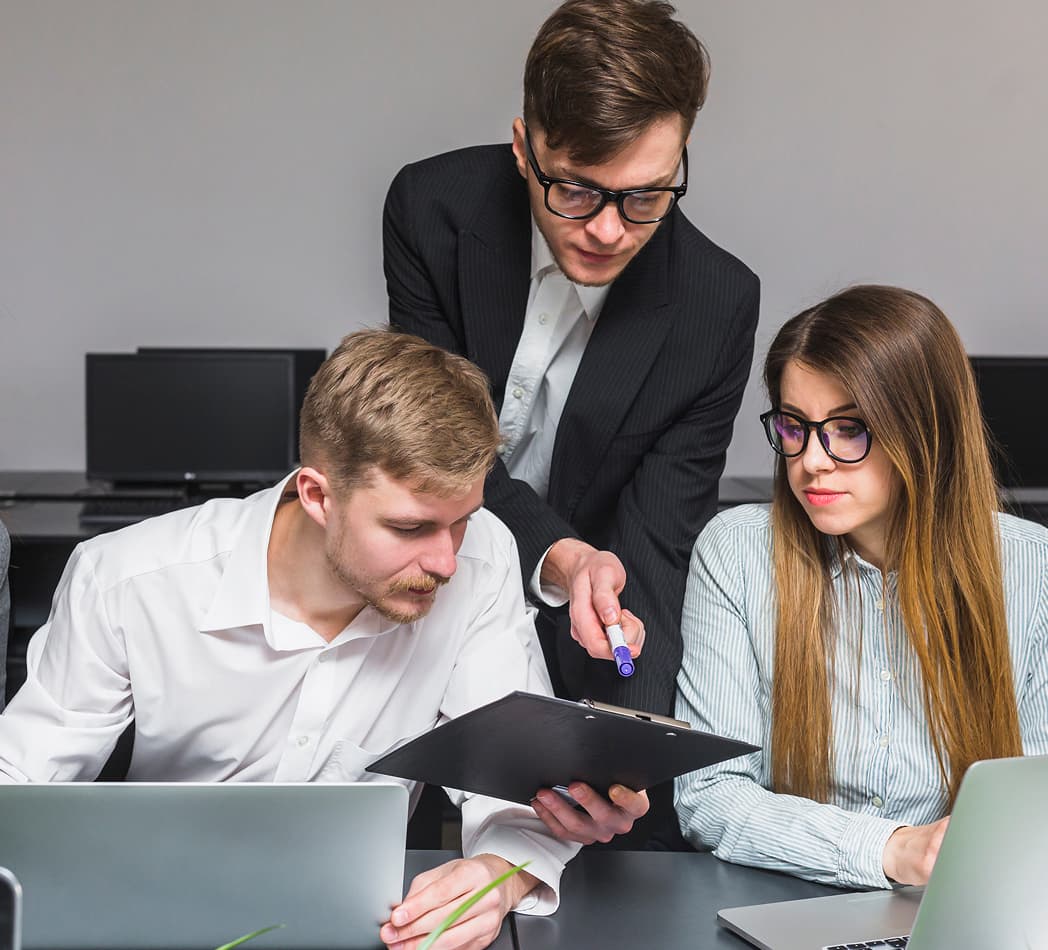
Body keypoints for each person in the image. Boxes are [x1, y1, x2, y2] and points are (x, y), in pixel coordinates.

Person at [0, 329, 648, 949]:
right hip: (150, 919)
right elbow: (19, 780)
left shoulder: (484, 560)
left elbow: (513, 788)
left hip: (371, 932)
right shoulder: (126, 580)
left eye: (462, 522)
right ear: (316, 495)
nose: (447, 561)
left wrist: (495, 881)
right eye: (410, 527)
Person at [383, 0, 760, 725]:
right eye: (578, 190)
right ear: (523, 149)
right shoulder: (429, 211)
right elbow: (431, 450)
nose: (609, 231)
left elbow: (655, 550)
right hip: (424, 576)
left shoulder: (717, 306)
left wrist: (629, 748)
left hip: (588, 626)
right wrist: (559, 553)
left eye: (646, 194)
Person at [674, 285, 1048, 888]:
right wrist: (891, 850)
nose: (811, 461)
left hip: (962, 898)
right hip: (781, 898)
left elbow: (1035, 802)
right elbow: (709, 795)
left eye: (848, 429)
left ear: (925, 431)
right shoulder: (737, 552)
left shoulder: (1033, 567)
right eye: (794, 426)